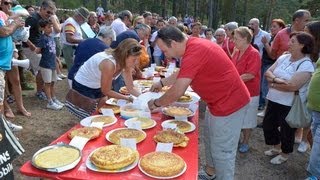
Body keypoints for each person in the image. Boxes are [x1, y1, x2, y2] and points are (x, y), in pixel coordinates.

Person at [147, 26, 250, 179]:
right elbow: (182, 73)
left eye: (165, 50)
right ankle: (210, 172)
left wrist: (156, 103)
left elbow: (178, 90)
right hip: (216, 102)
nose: (165, 55)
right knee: (210, 139)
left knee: (222, 151)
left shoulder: (196, 50)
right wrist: (162, 83)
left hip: (230, 104)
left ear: (174, 43)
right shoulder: (193, 46)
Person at [263, 32, 314, 165]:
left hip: (289, 104)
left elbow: (292, 86)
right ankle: (276, 147)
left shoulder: (306, 65)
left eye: (293, 42)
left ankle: (285, 154)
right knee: (268, 125)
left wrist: (273, 83)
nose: (288, 43)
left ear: (302, 45)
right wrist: (276, 80)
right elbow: (268, 72)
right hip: (274, 99)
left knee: (287, 131)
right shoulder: (284, 57)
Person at [73, 38, 141, 109]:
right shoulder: (109, 64)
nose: (136, 62)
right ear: (124, 56)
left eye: (137, 59)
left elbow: (131, 88)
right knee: (88, 115)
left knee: (101, 110)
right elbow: (106, 91)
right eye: (134, 59)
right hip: (83, 86)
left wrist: (144, 98)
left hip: (98, 84)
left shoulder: (125, 62)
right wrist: (127, 98)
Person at [232, 27, 261, 153]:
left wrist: (232, 81)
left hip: (250, 91)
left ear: (245, 39)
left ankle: (245, 142)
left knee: (248, 119)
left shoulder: (254, 53)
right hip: (237, 90)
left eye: (236, 39)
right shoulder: (237, 51)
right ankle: (237, 139)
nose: (233, 41)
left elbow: (250, 74)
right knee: (237, 116)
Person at [23, 0, 57, 100]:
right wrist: (31, 45)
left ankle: (42, 90)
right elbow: (23, 33)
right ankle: (39, 92)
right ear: (42, 8)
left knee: (43, 69)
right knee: (42, 70)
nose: (49, 15)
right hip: (31, 48)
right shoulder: (33, 19)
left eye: (52, 13)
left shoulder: (42, 19)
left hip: (39, 47)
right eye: (48, 12)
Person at [257, 19, 286, 118]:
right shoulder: (273, 37)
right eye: (271, 26)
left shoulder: (277, 38)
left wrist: (265, 43)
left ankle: (267, 112)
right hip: (266, 64)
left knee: (266, 88)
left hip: (270, 65)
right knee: (265, 88)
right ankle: (266, 111)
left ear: (281, 28)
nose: (272, 28)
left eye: (275, 26)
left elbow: (272, 55)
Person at [35, 19, 63, 110]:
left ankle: (54, 98)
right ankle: (50, 102)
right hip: (46, 64)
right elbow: (37, 50)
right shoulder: (43, 38)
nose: (51, 29)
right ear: (43, 28)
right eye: (48, 27)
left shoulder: (51, 38)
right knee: (47, 83)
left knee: (52, 83)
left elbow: (53, 51)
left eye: (51, 27)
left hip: (52, 64)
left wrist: (57, 60)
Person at [305, 20, 320, 179]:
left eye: (307, 32)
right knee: (312, 139)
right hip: (315, 109)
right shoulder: (314, 52)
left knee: (317, 151)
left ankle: (314, 175)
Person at [61, 7, 90, 72]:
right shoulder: (70, 23)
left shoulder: (74, 22)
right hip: (70, 49)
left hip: (72, 49)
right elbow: (69, 39)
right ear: (79, 16)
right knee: (72, 69)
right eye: (83, 19)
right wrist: (83, 41)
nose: (83, 20)